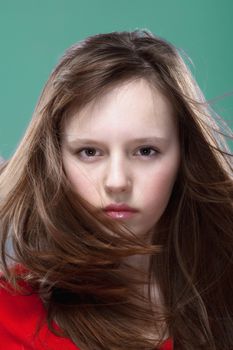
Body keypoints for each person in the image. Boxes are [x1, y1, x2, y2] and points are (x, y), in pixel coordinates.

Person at [0, 30, 232, 350]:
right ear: (55, 159)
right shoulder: (8, 313)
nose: (117, 181)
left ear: (184, 155)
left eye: (146, 151)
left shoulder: (223, 298)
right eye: (90, 152)